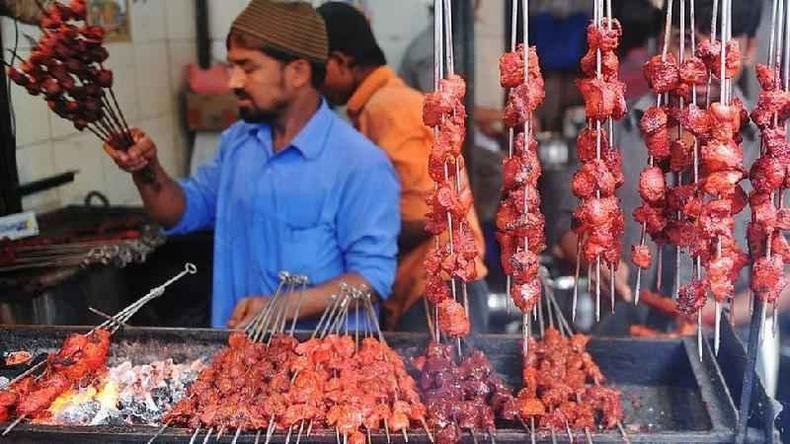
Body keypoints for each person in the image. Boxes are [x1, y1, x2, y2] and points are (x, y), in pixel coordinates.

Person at [103, 0, 400, 329]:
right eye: (232, 66)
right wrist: (146, 168)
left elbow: (371, 282)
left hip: (320, 371)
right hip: (237, 361)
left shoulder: (360, 164)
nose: (233, 81)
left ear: (298, 72)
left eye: (249, 68)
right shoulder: (239, 143)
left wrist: (282, 307)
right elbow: (181, 211)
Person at [317, 2, 490, 332]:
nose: (315, 84)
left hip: (440, 293)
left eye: (317, 70)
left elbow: (429, 217)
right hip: (429, 291)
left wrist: (348, 232)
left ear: (339, 62)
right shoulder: (381, 105)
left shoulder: (388, 109)